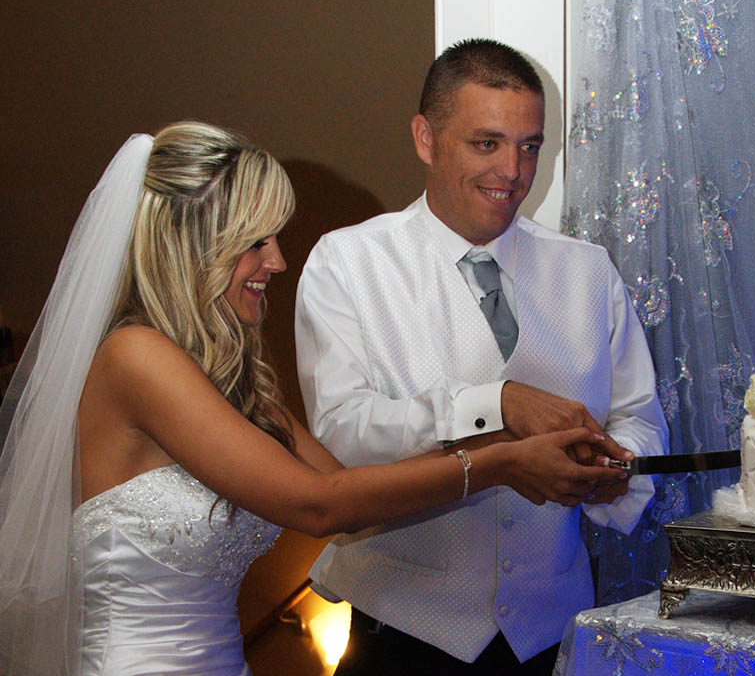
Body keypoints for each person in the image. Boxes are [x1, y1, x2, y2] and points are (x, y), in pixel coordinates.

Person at [0, 121, 631, 676]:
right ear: (188, 244)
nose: (276, 261)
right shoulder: (135, 357)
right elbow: (317, 506)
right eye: (255, 241)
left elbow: (356, 500)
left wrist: (502, 443)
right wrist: (501, 463)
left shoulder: (238, 383)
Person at [295, 39, 667, 675]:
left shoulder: (587, 271)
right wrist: (495, 404)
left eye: (529, 146)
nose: (513, 171)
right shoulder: (347, 263)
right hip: (401, 636)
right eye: (486, 143)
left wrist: (615, 469)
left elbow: (640, 418)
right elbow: (342, 435)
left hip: (550, 637)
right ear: (425, 138)